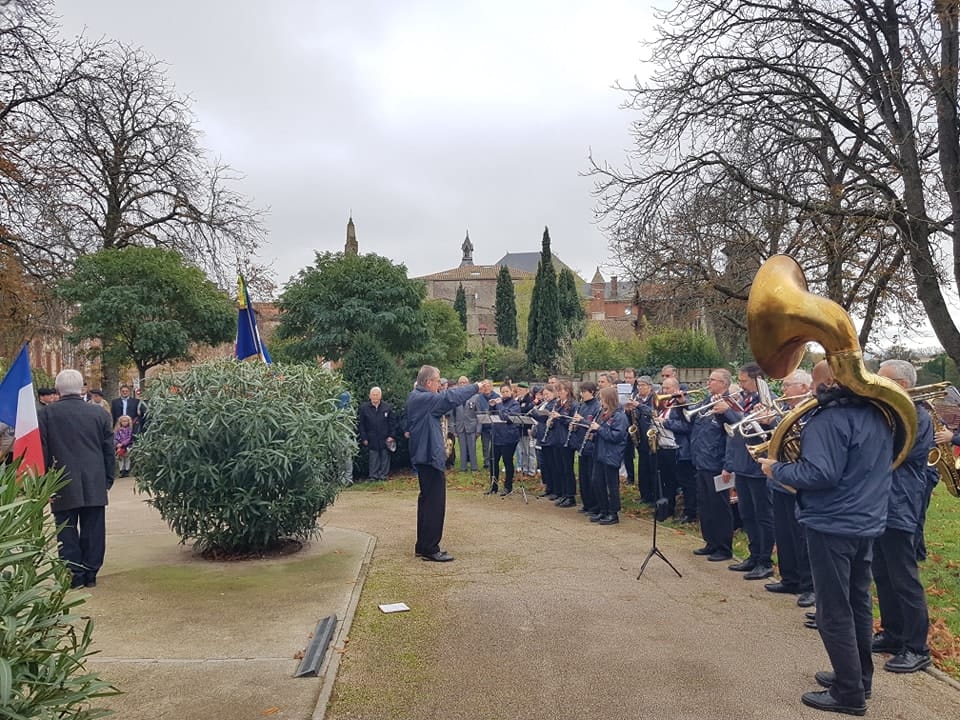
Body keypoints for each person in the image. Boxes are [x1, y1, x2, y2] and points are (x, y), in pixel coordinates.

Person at [758, 360, 893, 716]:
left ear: (830, 381)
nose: (812, 390)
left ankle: (849, 692)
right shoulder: (878, 413)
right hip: (864, 521)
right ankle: (858, 677)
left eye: (815, 382)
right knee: (858, 603)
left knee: (833, 610)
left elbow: (820, 473)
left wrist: (777, 468)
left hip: (831, 522)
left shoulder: (828, 418)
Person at [871, 360, 933, 673]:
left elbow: (900, 453)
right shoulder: (892, 413)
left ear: (903, 385)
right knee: (882, 573)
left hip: (900, 503)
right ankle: (893, 634)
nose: (878, 385)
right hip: (881, 503)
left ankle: (917, 647)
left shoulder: (917, 415)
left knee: (904, 578)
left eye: (884, 380)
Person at [39, 369, 115, 589]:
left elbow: (42, 450)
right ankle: (91, 572)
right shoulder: (99, 414)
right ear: (82, 387)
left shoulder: (45, 415)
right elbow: (108, 449)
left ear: (57, 389)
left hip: (60, 479)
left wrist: (44, 484)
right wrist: (108, 478)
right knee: (94, 528)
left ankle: (74, 574)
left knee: (66, 529)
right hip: (94, 478)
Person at [406, 366, 483, 562]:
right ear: (428, 382)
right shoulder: (425, 399)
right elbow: (450, 398)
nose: (440, 385)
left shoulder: (416, 397)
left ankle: (422, 545)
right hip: (429, 457)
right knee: (434, 503)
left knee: (426, 501)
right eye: (438, 381)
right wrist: (476, 387)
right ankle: (431, 548)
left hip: (424, 456)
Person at [764, 370, 816, 609]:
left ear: (805, 388)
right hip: (780, 478)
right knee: (783, 532)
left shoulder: (812, 410)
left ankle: (808, 586)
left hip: (800, 480)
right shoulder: (785, 411)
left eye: (788, 386)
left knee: (802, 536)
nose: (783, 390)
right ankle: (789, 577)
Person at [724, 363, 775, 580]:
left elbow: (770, 433)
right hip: (742, 464)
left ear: (757, 379)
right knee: (747, 514)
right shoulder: (746, 399)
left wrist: (763, 421)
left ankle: (765, 560)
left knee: (763, 515)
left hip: (758, 466)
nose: (741, 384)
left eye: (744, 380)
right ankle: (753, 556)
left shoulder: (767, 399)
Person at [690, 369, 735, 562]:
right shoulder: (706, 401)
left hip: (717, 464)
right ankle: (710, 542)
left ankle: (724, 547)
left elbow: (733, 437)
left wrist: (728, 465)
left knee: (720, 506)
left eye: (713, 380)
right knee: (705, 504)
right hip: (701, 461)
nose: (709, 383)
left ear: (723, 384)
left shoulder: (729, 404)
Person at [589, 385, 629, 525]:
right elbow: (602, 432)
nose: (600, 402)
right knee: (597, 482)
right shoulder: (603, 413)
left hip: (611, 454)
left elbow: (616, 437)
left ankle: (613, 513)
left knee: (612, 485)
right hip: (600, 453)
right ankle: (603, 509)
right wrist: (593, 434)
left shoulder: (620, 416)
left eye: (602, 399)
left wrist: (599, 429)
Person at [486, 383, 521, 496]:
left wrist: (499, 405)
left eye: (506, 391)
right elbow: (491, 415)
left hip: (509, 438)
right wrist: (491, 406)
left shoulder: (515, 404)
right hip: (496, 436)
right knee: (493, 462)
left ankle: (508, 487)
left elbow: (506, 416)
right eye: (503, 392)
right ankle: (493, 485)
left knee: (507, 462)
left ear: (511, 392)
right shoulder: (498, 402)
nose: (504, 394)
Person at [357, 386, 397, 482]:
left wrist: (391, 436)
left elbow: (393, 423)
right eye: (373, 395)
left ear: (380, 396)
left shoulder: (387, 407)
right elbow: (361, 424)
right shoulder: (364, 408)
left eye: (377, 395)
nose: (375, 397)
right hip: (371, 438)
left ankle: (383, 475)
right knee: (373, 457)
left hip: (385, 437)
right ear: (370, 396)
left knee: (385, 456)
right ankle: (373, 476)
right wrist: (364, 438)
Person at [452, 376, 479, 473]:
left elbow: (478, 414)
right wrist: (454, 429)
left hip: (471, 426)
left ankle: (474, 468)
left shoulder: (475, 397)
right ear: (458, 384)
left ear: (469, 384)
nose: (463, 384)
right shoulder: (455, 397)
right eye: (460, 383)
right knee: (462, 448)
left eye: (465, 382)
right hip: (460, 427)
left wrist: (478, 429)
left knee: (472, 448)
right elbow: (453, 415)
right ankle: (463, 468)